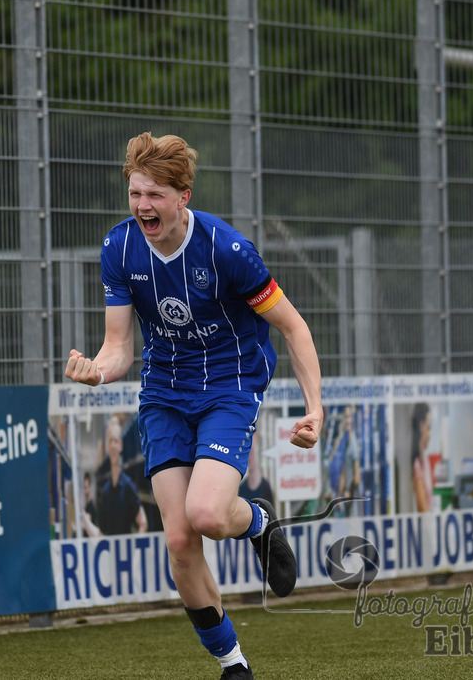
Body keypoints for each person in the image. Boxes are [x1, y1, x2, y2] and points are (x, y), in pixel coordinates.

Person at [65, 132, 323, 679]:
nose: (142, 206)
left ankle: (257, 521)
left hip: (230, 385)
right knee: (180, 540)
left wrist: (315, 409)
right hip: (163, 392)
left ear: (183, 196)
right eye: (135, 193)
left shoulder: (227, 250)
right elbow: (118, 347)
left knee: (207, 515)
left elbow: (294, 327)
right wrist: (96, 370)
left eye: (154, 195)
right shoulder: (120, 248)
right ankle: (234, 665)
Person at [94, 415, 149, 535]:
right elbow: (101, 531)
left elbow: (143, 523)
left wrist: (136, 547)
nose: (113, 445)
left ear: (121, 445)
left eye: (116, 441)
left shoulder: (127, 486)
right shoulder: (105, 490)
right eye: (110, 441)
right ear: (108, 446)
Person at [410, 403, 433, 512]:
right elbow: (423, 511)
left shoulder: (424, 462)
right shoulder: (417, 466)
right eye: (429, 427)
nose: (430, 434)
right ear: (421, 427)